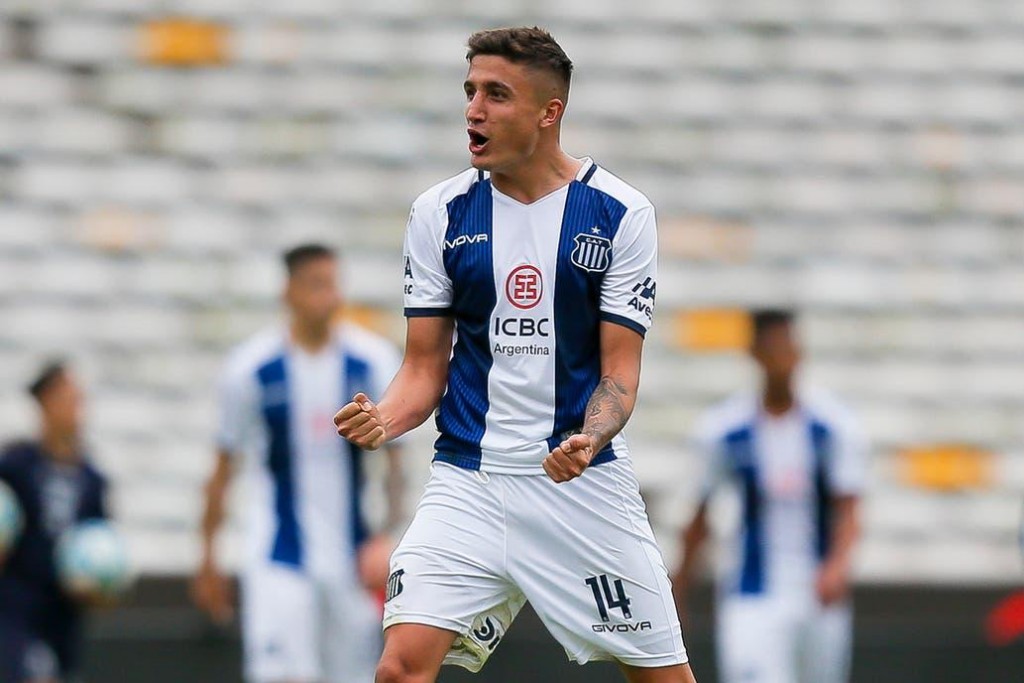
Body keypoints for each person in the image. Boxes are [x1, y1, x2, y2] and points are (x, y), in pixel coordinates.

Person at [335, 27, 696, 683]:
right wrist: (385, 417)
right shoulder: (439, 213)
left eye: (496, 94)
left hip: (579, 487)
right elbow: (423, 368)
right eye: (470, 91)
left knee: (662, 678)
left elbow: (619, 375)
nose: (474, 110)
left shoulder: (620, 213)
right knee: (398, 668)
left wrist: (588, 438)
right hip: (468, 480)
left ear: (548, 112)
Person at [193, 244, 405, 683]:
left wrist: (388, 537)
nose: (329, 297)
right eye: (316, 285)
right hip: (279, 559)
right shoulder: (252, 369)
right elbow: (222, 471)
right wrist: (209, 558)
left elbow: (396, 464)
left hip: (352, 560)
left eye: (333, 284)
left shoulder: (369, 361)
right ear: (289, 292)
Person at [672, 310, 866, 683]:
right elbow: (699, 515)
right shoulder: (725, 429)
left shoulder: (832, 426)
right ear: (755, 354)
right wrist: (678, 589)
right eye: (772, 347)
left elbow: (849, 507)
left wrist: (838, 566)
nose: (781, 357)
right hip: (753, 594)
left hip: (817, 594)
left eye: (786, 346)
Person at [0, 362, 109, 683]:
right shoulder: (15, 466)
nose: (76, 410)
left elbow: (100, 542)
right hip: (17, 606)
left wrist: (99, 586)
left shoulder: (92, 479)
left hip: (64, 615)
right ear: (45, 403)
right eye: (68, 399)